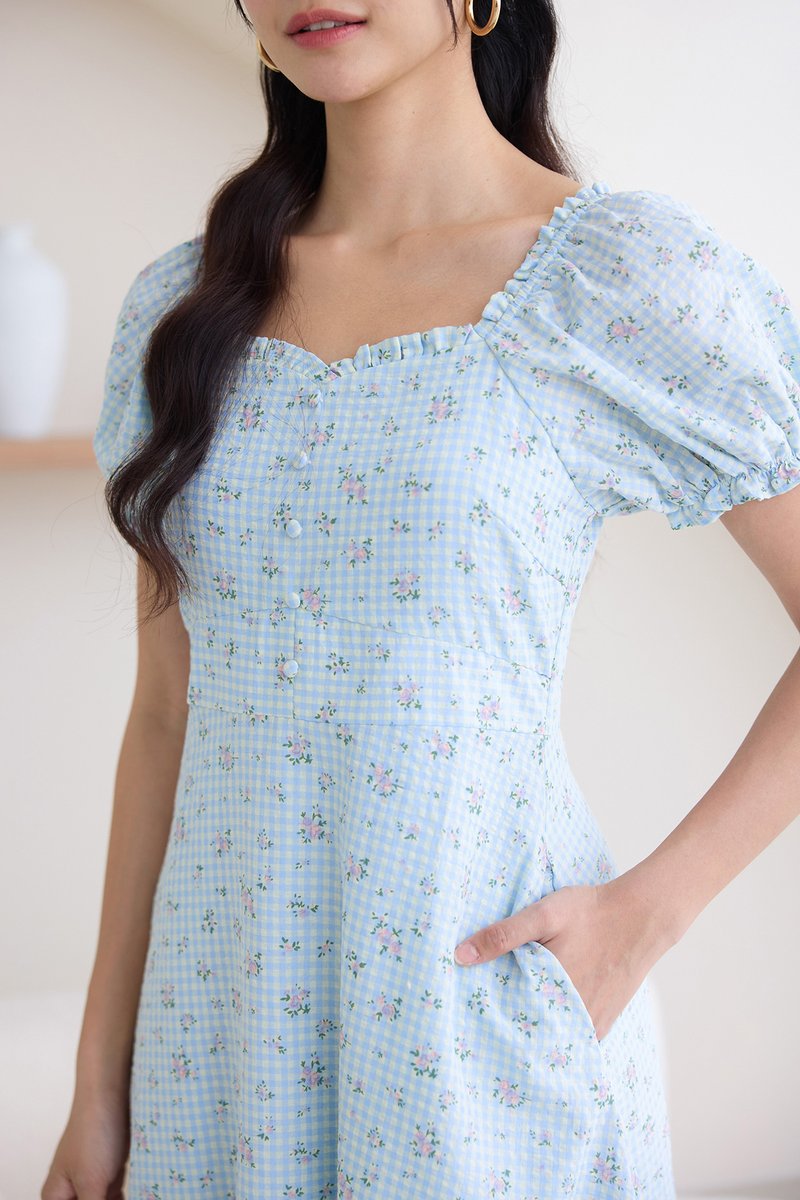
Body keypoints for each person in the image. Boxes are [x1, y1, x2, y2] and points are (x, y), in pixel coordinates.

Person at [42, 1, 800, 1197]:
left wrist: (638, 924)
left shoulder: (612, 276)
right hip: (220, 1041)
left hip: (479, 1026)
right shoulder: (180, 312)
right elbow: (163, 716)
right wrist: (98, 1086)